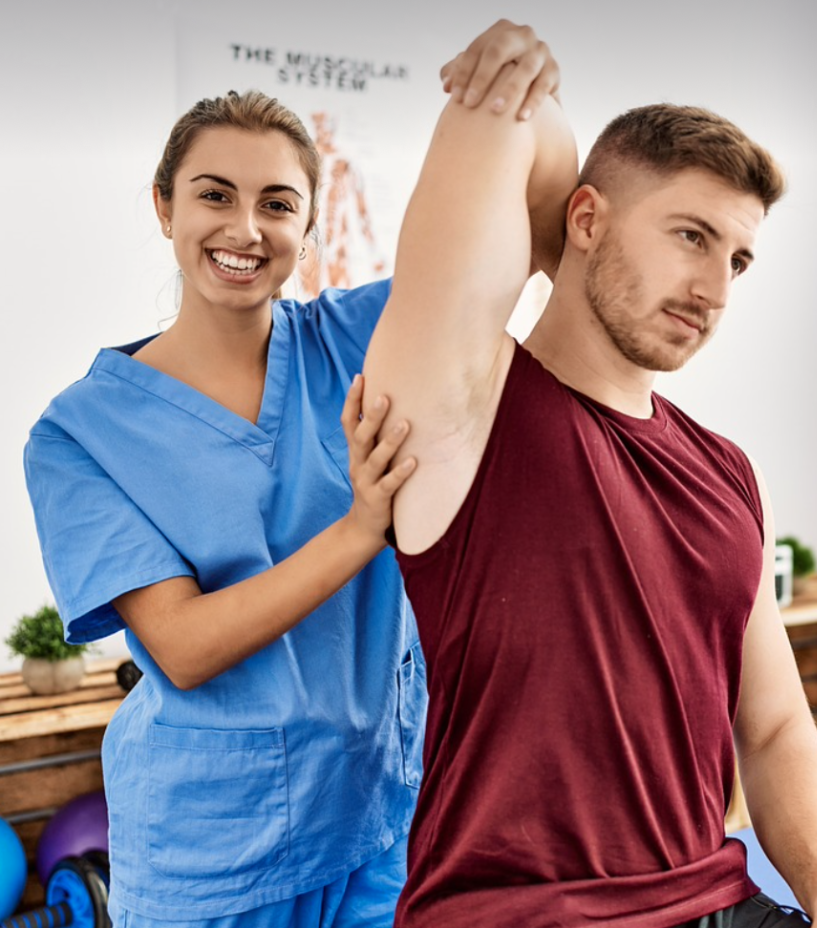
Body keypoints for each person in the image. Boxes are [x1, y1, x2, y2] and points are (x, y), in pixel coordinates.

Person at [22, 21, 560, 928]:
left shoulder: (360, 339)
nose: (245, 228)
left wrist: (532, 106)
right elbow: (185, 649)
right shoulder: (79, 435)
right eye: (214, 195)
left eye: (277, 203)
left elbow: (541, 241)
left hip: (381, 818)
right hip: (210, 857)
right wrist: (361, 528)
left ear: (310, 225)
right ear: (164, 207)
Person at [361, 22, 817, 928]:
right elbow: (497, 136)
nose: (716, 290)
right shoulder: (468, 410)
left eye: (739, 259)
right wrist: (537, 92)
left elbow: (773, 725)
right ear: (587, 218)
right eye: (691, 235)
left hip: (719, 899)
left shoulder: (725, 471)